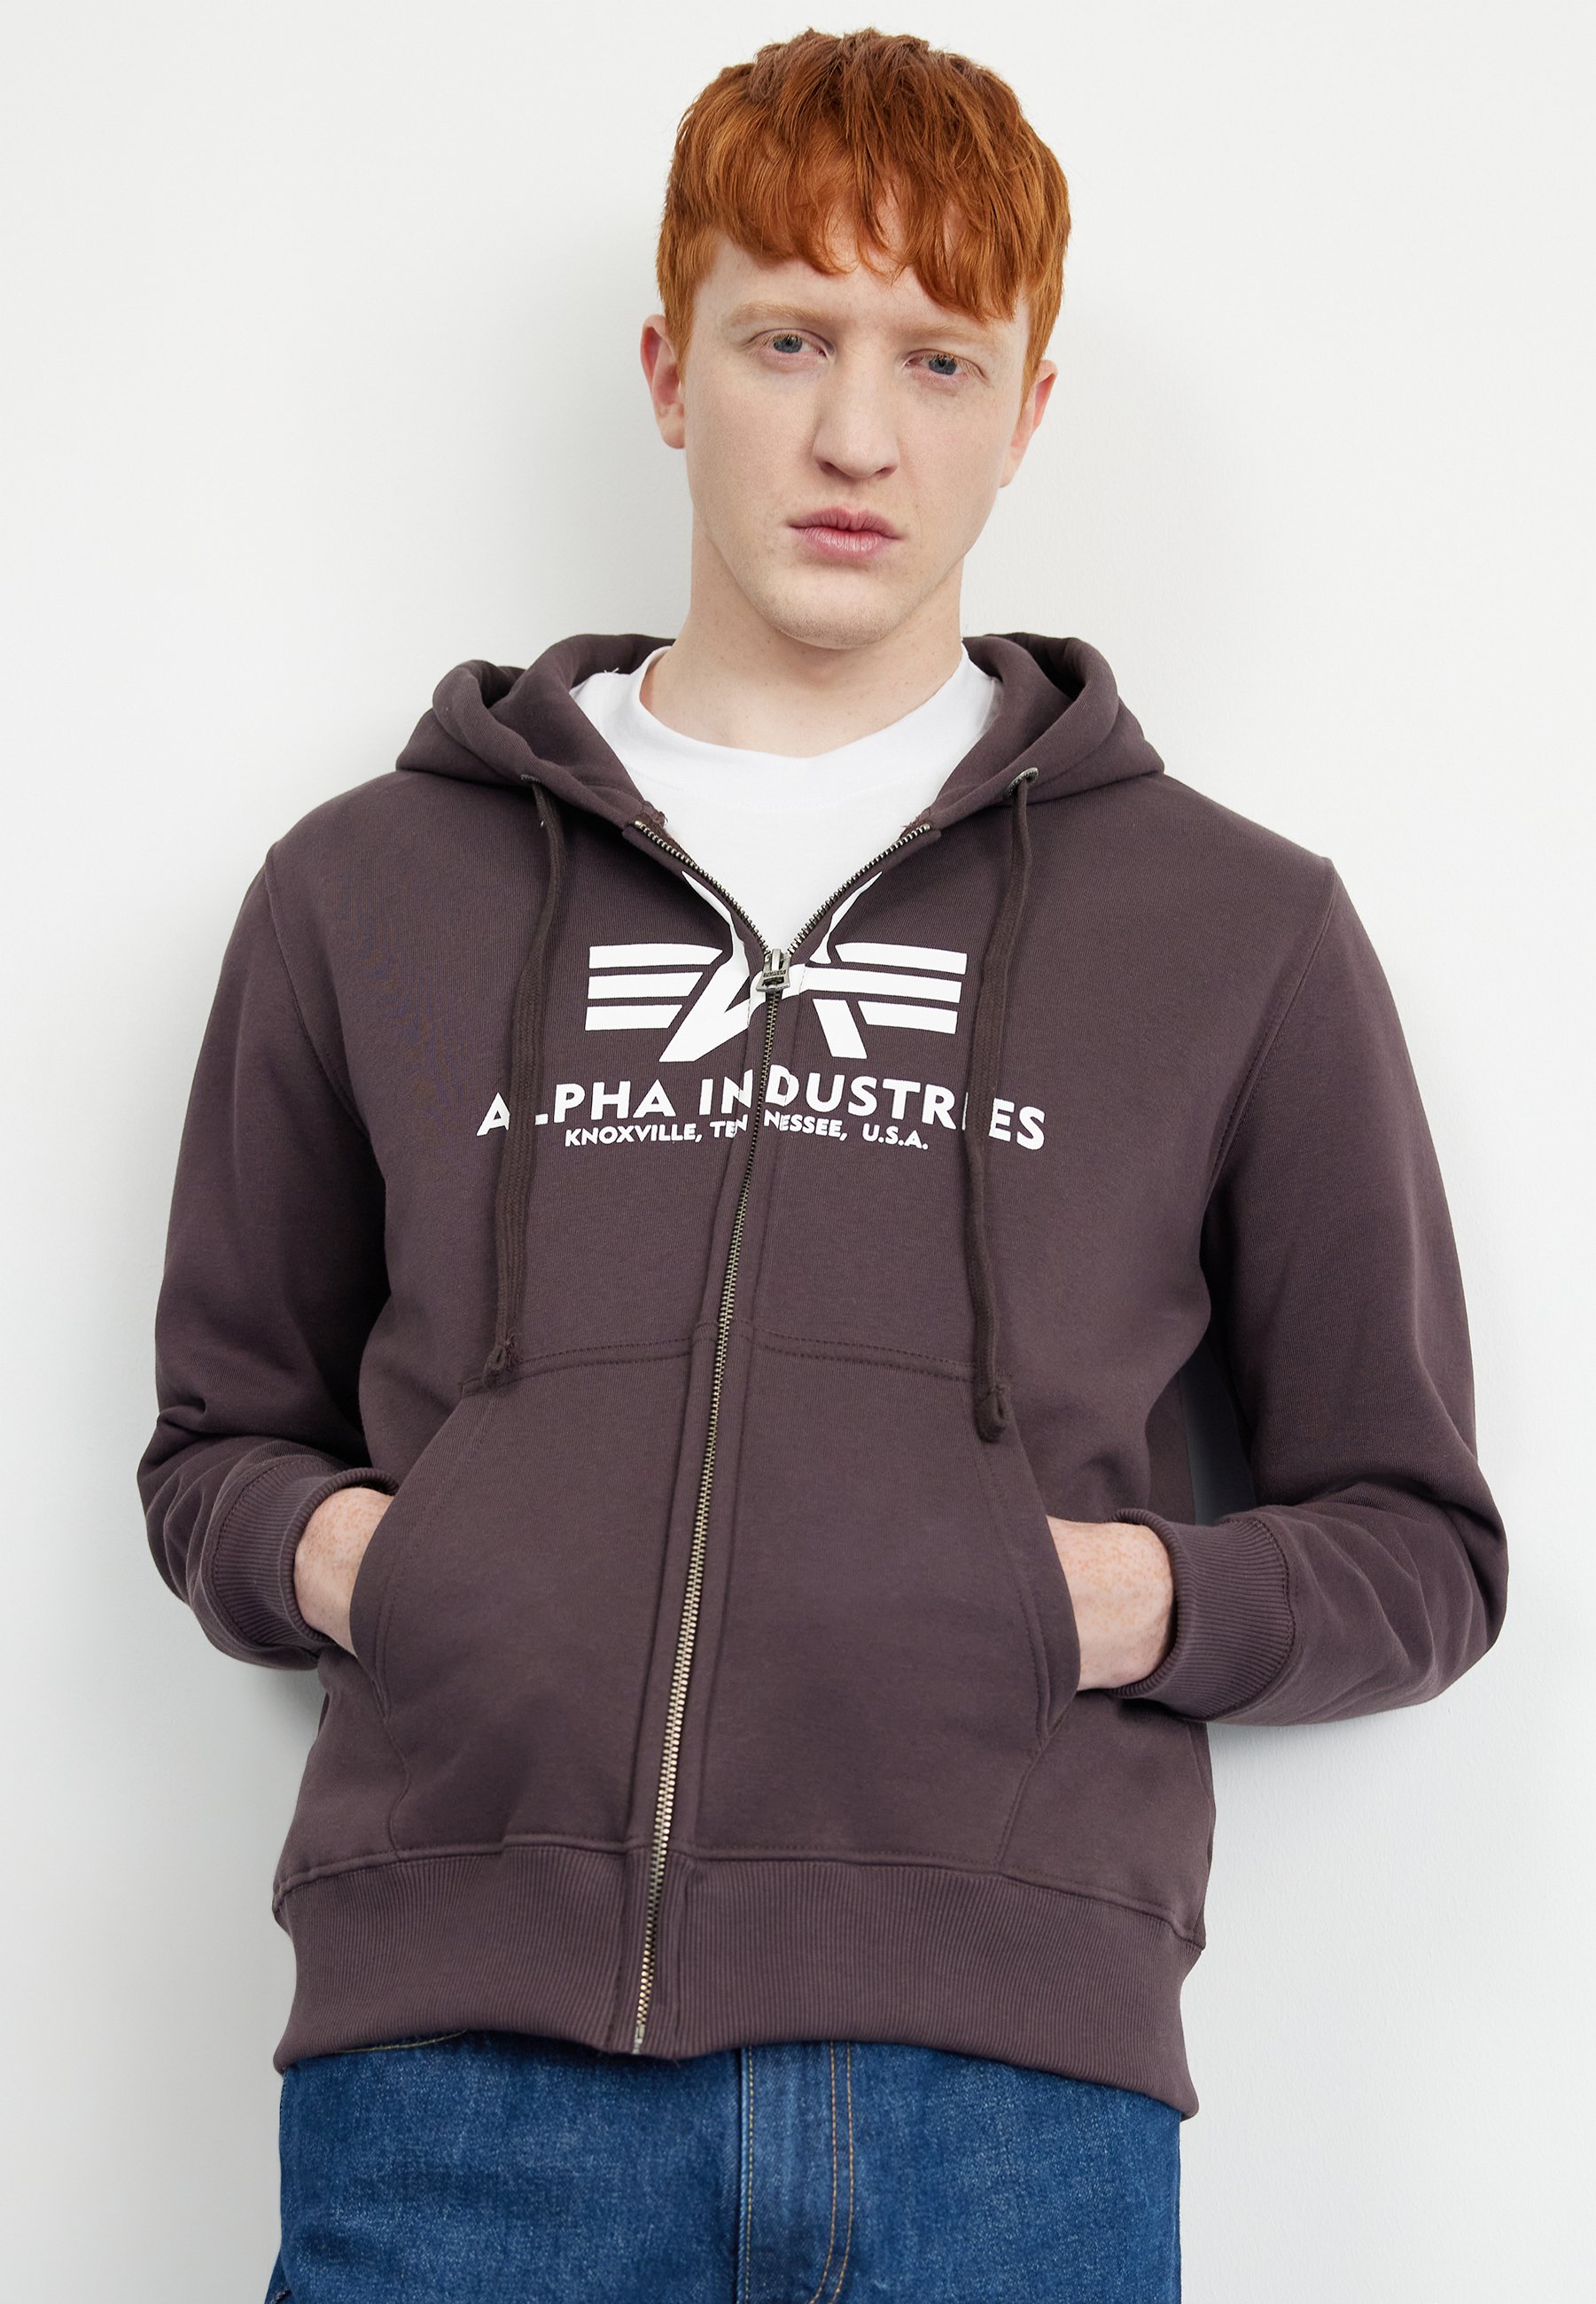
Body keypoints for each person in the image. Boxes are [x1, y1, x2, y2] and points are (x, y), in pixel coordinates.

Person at [138, 27, 1509, 2303]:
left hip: (1008, 2110)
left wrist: (1101, 1599)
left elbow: (1419, 1549)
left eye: (937, 359)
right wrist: (396, 1562)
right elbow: (216, 1451)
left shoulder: (1232, 930)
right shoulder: (368, 889)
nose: (859, 434)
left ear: (1026, 410)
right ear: (668, 370)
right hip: (458, 2094)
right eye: (788, 339)